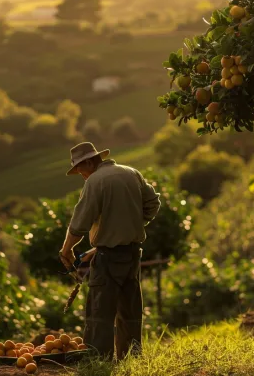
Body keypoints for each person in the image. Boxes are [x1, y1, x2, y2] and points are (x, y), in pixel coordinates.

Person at [58, 142, 161, 361]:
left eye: (80, 169)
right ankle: (131, 357)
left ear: (88, 162)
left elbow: (79, 223)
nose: (81, 175)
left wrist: (66, 249)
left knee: (99, 312)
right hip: (132, 253)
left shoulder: (95, 181)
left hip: (108, 258)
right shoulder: (132, 173)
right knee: (129, 308)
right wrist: (134, 225)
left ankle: (99, 361)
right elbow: (153, 203)